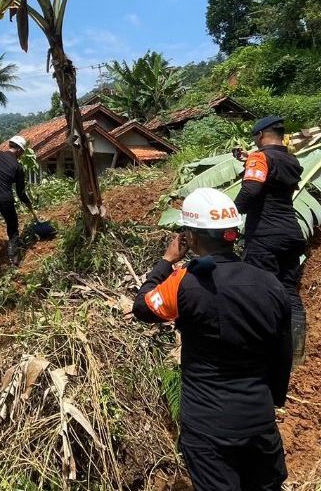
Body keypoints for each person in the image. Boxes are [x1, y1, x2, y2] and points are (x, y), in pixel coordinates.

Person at [132, 187, 293, 491]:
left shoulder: (184, 283)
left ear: (190, 238)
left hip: (208, 425)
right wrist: (272, 401)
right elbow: (282, 352)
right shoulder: (271, 284)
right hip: (258, 418)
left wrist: (166, 261)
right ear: (232, 233)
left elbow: (142, 307)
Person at [234, 115, 308, 363]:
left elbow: (252, 189)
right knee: (289, 292)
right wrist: (249, 160)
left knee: (256, 292)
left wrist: (231, 213)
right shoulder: (291, 159)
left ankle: (256, 353)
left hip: (265, 236)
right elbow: (273, 175)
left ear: (260, 135)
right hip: (291, 233)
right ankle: (295, 355)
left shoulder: (260, 157)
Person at [0, 135, 34, 280]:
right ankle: (14, 260)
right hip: (5, 200)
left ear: (9, 145)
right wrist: (28, 203)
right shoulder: (18, 167)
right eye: (22, 152)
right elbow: (21, 192)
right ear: (19, 151)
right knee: (13, 228)